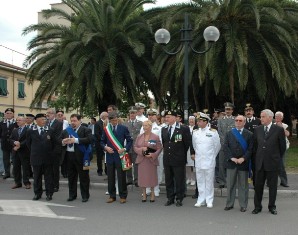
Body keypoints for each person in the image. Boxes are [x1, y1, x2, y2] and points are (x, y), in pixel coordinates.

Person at [252, 109, 286, 215]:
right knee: (258, 186)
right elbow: (255, 147)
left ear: (270, 117)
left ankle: (272, 206)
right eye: (260, 116)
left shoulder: (278, 130)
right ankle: (257, 206)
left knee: (272, 187)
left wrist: (275, 158)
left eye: (263, 117)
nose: (260, 118)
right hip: (260, 164)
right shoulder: (257, 130)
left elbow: (282, 147)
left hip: (272, 163)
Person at [100, 111, 133, 204]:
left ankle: (123, 196)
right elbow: (101, 142)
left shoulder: (123, 128)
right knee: (110, 176)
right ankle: (112, 196)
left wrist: (125, 148)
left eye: (116, 120)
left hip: (120, 155)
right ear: (109, 120)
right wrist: (105, 147)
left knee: (121, 176)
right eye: (113, 120)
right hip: (110, 156)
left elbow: (130, 140)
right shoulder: (106, 129)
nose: (115, 122)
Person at [161, 110, 192, 207]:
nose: (167, 119)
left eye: (169, 117)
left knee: (179, 180)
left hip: (178, 158)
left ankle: (179, 198)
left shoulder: (183, 128)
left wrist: (180, 153)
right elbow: (164, 143)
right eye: (166, 117)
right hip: (167, 158)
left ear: (175, 118)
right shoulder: (164, 129)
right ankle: (170, 198)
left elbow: (187, 143)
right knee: (168, 180)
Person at [223, 115, 253, 212]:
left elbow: (250, 149)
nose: (238, 122)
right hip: (231, 163)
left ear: (244, 122)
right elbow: (225, 147)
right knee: (230, 185)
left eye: (240, 120)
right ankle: (229, 204)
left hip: (243, 164)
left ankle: (243, 205)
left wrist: (243, 158)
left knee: (243, 186)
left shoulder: (249, 134)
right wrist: (231, 157)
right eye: (236, 120)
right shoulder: (229, 133)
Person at [191, 112, 221, 208]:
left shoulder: (213, 132)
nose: (198, 122)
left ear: (206, 121)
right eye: (198, 121)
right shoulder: (195, 132)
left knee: (209, 181)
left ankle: (209, 200)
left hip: (209, 160)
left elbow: (217, 146)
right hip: (199, 160)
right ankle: (201, 199)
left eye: (200, 121)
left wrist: (212, 156)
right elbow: (195, 146)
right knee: (200, 181)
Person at [26, 113, 58, 201]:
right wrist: (35, 151)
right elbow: (28, 144)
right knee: (36, 177)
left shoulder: (50, 130)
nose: (45, 121)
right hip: (36, 157)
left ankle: (49, 194)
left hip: (48, 158)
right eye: (43, 119)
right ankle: (37, 193)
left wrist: (51, 154)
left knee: (48, 177)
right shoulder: (30, 130)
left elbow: (54, 143)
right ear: (37, 120)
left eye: (45, 119)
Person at [62, 114, 93, 202]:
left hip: (82, 157)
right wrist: (63, 142)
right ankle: (72, 195)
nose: (73, 123)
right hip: (69, 156)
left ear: (80, 121)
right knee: (71, 177)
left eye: (75, 121)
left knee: (84, 177)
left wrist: (75, 140)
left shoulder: (86, 130)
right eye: (71, 121)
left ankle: (85, 195)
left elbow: (90, 139)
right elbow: (60, 140)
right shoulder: (66, 131)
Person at [134, 120, 162, 202]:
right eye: (143, 125)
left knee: (151, 177)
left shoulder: (155, 137)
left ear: (150, 127)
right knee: (142, 178)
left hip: (151, 161)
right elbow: (135, 147)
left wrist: (153, 155)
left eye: (146, 125)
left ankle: (153, 193)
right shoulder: (139, 136)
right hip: (142, 160)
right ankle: (144, 193)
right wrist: (142, 149)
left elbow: (159, 148)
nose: (144, 127)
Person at [144, 108, 163, 197]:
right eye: (149, 115)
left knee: (157, 171)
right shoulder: (143, 127)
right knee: (147, 170)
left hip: (156, 153)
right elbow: (141, 140)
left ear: (156, 116)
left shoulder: (159, 128)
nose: (151, 117)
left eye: (153, 115)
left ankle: (156, 188)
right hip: (146, 153)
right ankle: (147, 188)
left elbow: (161, 142)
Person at [217, 102, 235, 188]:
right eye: (226, 109)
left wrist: (230, 143)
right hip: (222, 145)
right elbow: (219, 132)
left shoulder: (235, 119)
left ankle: (231, 181)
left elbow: (235, 132)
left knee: (231, 164)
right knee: (221, 163)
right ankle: (222, 181)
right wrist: (224, 142)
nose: (227, 111)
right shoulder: (220, 120)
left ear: (232, 110)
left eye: (229, 109)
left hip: (232, 146)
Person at [9, 116, 31, 189]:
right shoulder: (15, 130)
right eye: (17, 120)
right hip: (15, 152)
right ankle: (17, 182)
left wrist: (19, 145)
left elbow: (28, 140)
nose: (18, 121)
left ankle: (26, 182)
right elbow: (10, 139)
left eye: (19, 120)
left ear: (24, 121)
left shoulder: (28, 130)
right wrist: (14, 142)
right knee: (16, 167)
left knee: (25, 168)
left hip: (24, 152)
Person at [123, 106, 142, 186]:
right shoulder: (125, 124)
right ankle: (129, 179)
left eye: (133, 113)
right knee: (128, 163)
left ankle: (137, 180)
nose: (132, 114)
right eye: (131, 113)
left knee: (136, 164)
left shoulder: (140, 123)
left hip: (136, 146)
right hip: (127, 146)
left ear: (136, 114)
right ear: (129, 114)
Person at [46, 108, 63, 192]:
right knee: (48, 169)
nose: (47, 114)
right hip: (47, 149)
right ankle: (49, 185)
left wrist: (49, 137)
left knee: (55, 169)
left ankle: (56, 185)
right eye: (47, 113)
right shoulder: (45, 123)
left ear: (54, 114)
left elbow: (58, 136)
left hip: (55, 149)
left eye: (49, 113)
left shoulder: (59, 123)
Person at [0, 108, 18, 179]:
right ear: (5, 114)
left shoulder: (16, 123)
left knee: (14, 159)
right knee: (5, 159)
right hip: (4, 144)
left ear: (13, 114)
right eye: (7, 113)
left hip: (13, 144)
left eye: (10, 113)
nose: (9, 114)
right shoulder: (2, 123)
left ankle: (14, 173)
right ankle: (7, 173)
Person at [274, 111, 290, 187]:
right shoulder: (271, 125)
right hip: (272, 148)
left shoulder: (285, 125)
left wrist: (281, 127)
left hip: (282, 148)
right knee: (270, 165)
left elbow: (287, 134)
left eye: (279, 116)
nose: (277, 118)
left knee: (281, 165)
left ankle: (284, 182)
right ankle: (270, 182)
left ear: (282, 118)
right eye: (276, 116)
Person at [94, 112, 108, 176]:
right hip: (99, 143)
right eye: (107, 116)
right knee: (99, 157)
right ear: (103, 116)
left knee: (106, 157)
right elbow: (97, 134)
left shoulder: (108, 123)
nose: (108, 117)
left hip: (106, 143)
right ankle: (99, 170)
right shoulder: (97, 123)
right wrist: (103, 140)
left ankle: (107, 170)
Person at [186, 116, 197, 186]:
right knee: (187, 165)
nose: (191, 121)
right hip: (187, 149)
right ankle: (188, 178)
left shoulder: (197, 128)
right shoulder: (186, 128)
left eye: (193, 120)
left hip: (193, 149)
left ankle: (193, 179)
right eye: (190, 120)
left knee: (193, 165)